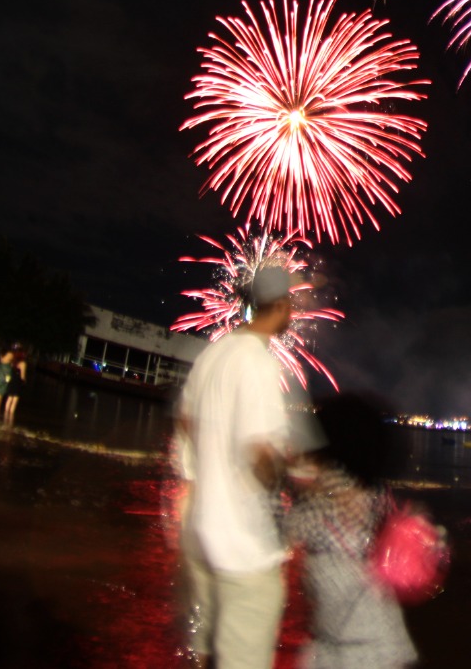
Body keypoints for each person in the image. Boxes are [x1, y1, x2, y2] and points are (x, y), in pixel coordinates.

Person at [178, 265, 295, 669]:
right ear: (279, 306)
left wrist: (209, 464)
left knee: (207, 649)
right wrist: (293, 473)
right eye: (291, 303)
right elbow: (261, 456)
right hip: (242, 547)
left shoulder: (214, 352)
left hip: (200, 531)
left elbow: (185, 421)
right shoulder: (258, 363)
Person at [285, 392, 417, 669]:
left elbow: (278, 537)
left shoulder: (318, 509)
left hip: (343, 653)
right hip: (387, 647)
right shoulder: (378, 499)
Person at [1, 345, 29, 426]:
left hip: (11, 380)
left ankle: (5, 418)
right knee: (14, 401)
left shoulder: (13, 361)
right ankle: (10, 421)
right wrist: (24, 382)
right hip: (17, 382)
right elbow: (22, 376)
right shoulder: (23, 363)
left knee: (9, 399)